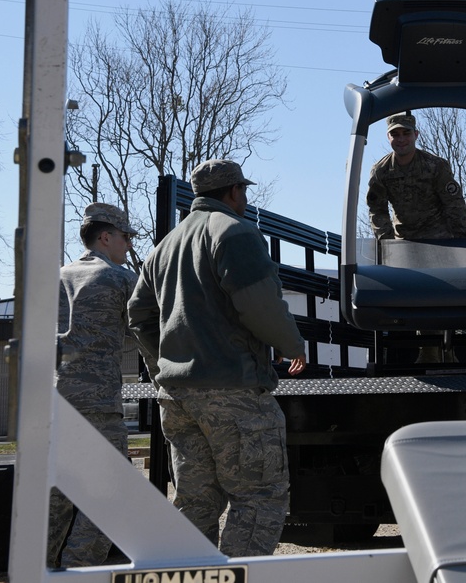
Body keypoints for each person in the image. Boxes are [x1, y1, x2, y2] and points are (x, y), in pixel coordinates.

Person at [127, 159, 307, 557]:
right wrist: (292, 345)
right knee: (259, 498)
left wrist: (164, 366)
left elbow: (138, 315)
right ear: (233, 192)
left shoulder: (163, 248)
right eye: (243, 190)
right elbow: (260, 304)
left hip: (177, 398)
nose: (244, 198)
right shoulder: (236, 233)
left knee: (196, 503)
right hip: (234, 393)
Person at [47, 203, 139, 568]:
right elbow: (154, 327)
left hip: (55, 399)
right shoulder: (119, 278)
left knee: (57, 494)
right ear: (106, 237)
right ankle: (79, 570)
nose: (129, 245)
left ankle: (40, 569)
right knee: (111, 493)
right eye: (126, 237)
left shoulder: (57, 276)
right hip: (99, 403)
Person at [366, 111, 466, 241]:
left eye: (406, 133)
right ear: (388, 137)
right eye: (395, 135)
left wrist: (463, 242)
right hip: (404, 242)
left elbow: (454, 205)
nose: (401, 139)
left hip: (441, 239)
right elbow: (377, 210)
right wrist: (387, 244)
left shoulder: (436, 166)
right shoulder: (381, 171)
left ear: (416, 135)